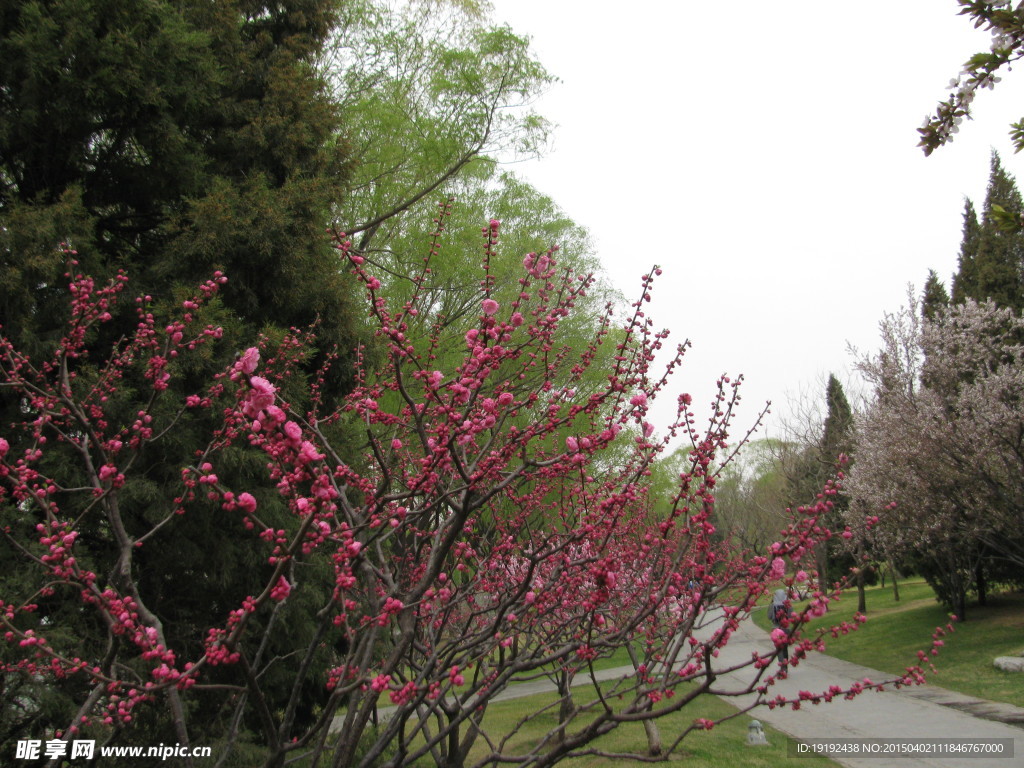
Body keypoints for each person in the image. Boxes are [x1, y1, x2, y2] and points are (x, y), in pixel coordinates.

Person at [768, 588, 792, 662]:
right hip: (786, 628)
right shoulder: (788, 605)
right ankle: (785, 664)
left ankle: (782, 665)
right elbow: (791, 616)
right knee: (785, 648)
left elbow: (769, 616)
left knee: (779, 649)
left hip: (776, 629)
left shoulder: (772, 605)